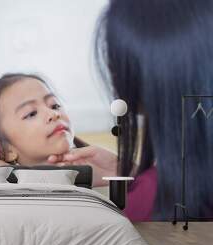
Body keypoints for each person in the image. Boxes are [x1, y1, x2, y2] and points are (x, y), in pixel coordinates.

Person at [49, 0, 213, 220]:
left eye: (54, 104)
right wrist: (134, 175)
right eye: (30, 113)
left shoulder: (150, 206)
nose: (53, 114)